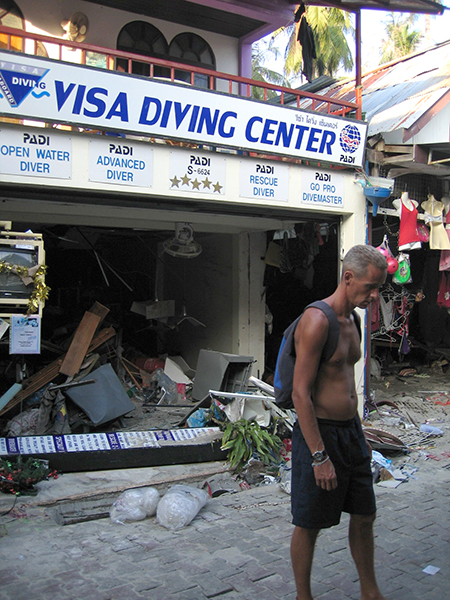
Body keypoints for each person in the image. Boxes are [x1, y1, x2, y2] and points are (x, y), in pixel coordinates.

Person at [290, 244, 388, 600]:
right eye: (370, 287)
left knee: (364, 515)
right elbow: (301, 393)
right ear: (348, 278)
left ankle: (370, 591)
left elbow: (347, 381)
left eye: (379, 287)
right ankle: (304, 596)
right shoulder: (317, 321)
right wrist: (319, 456)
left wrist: (359, 434)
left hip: (351, 433)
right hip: (319, 434)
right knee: (310, 522)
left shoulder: (356, 320)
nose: (375, 295)